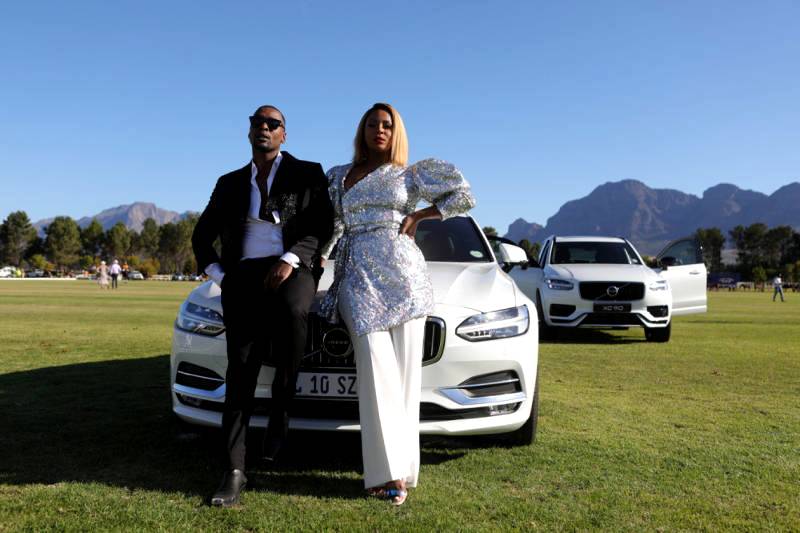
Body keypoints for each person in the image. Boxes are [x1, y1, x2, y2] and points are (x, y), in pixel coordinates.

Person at [320, 102, 475, 505]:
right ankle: (389, 471)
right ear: (362, 130)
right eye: (372, 124)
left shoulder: (410, 174)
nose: (379, 130)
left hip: (405, 275)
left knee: (405, 377)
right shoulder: (338, 175)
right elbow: (334, 223)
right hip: (358, 274)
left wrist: (422, 215)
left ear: (396, 131)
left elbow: (463, 195)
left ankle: (396, 475)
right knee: (376, 367)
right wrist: (319, 257)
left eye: (387, 125)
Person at [192, 105, 334, 507]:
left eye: (273, 124)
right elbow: (201, 236)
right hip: (243, 276)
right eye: (258, 123)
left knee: (292, 310)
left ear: (284, 134)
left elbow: (321, 225)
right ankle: (234, 470)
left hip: (294, 267)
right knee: (240, 370)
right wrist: (221, 277)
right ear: (249, 131)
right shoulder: (229, 183)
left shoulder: (307, 173)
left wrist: (290, 259)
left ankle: (281, 407)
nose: (265, 129)